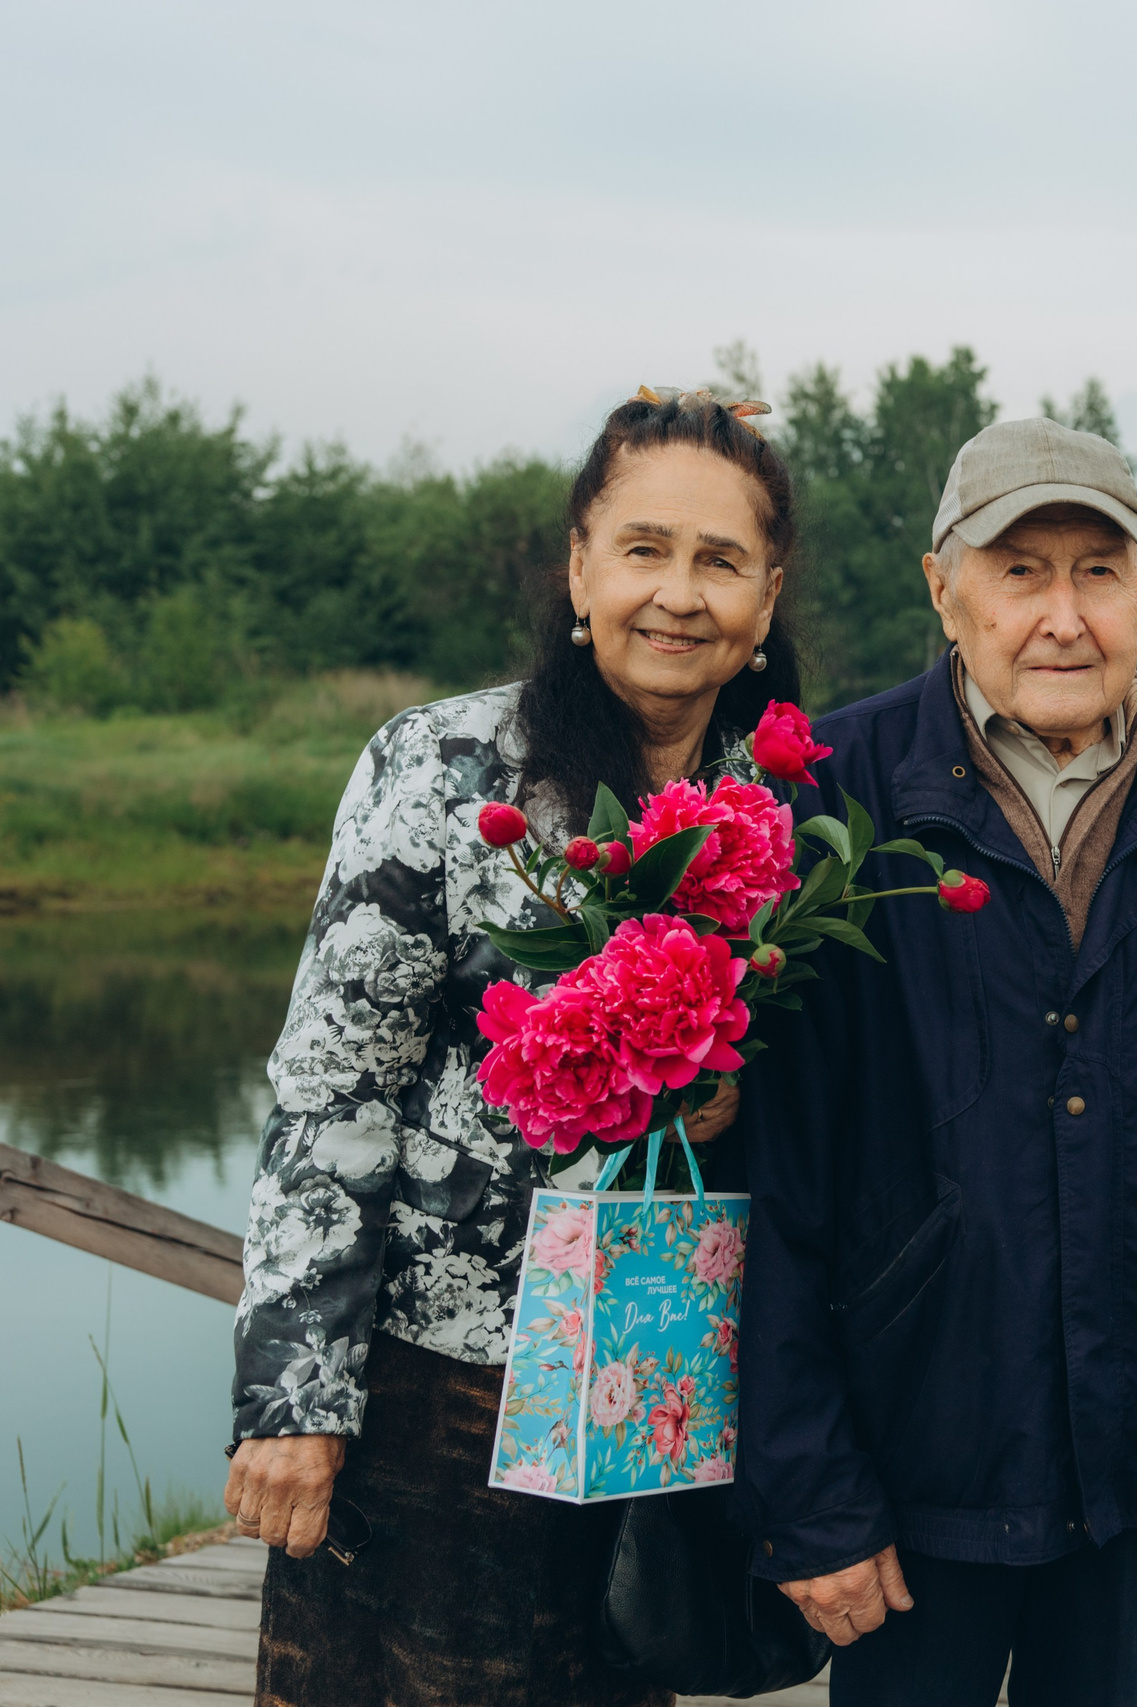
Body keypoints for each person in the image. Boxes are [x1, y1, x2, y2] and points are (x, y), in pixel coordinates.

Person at [732, 416, 1137, 1707]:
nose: (1062, 616)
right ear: (942, 586)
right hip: (906, 1483)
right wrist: (812, 1490)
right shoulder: (833, 796)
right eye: (1020, 571)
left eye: (1097, 570)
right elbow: (770, 1182)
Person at [225, 387, 792, 1707]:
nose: (679, 593)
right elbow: (333, 1088)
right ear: (580, 566)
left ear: (768, 599)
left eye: (720, 560)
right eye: (645, 548)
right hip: (436, 1389)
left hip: (662, 1373)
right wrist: (296, 1395)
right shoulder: (444, 766)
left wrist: (735, 1097)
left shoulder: (785, 810)